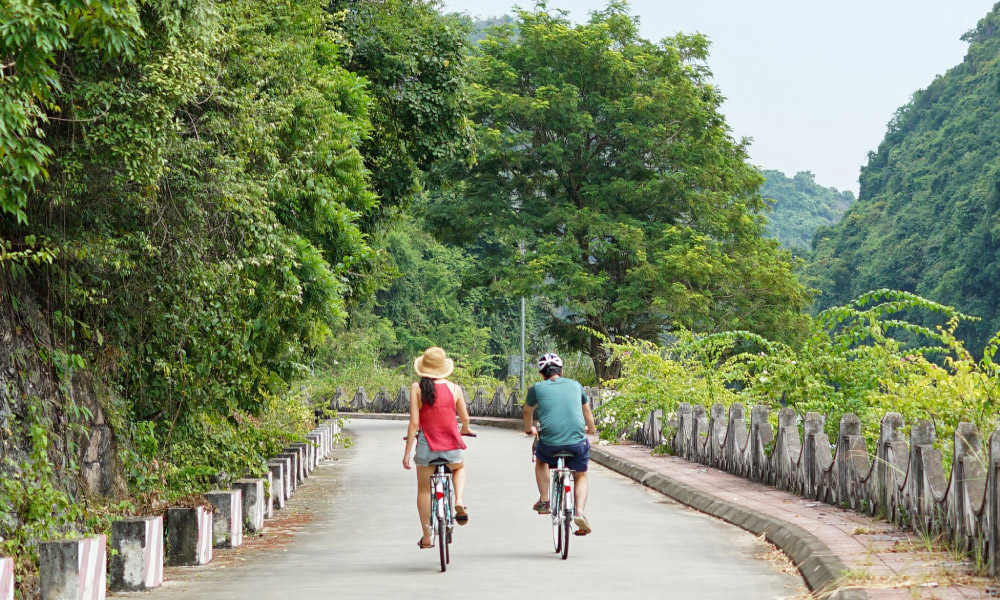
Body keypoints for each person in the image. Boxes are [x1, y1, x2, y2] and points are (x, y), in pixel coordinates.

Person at [403, 346, 474, 549]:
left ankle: (427, 536)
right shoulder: (455, 389)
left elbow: (414, 423)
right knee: (459, 468)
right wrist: (465, 429)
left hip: (427, 445)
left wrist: (407, 453)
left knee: (424, 490)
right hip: (451, 445)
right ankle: (458, 500)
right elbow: (465, 419)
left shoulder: (416, 388)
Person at [523, 352, 598, 535]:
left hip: (549, 443)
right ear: (561, 371)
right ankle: (579, 511)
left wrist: (528, 429)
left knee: (541, 459)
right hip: (576, 443)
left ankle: (544, 500)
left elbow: (527, 411)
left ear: (542, 373)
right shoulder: (576, 385)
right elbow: (587, 412)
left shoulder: (537, 388)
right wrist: (591, 429)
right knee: (580, 475)